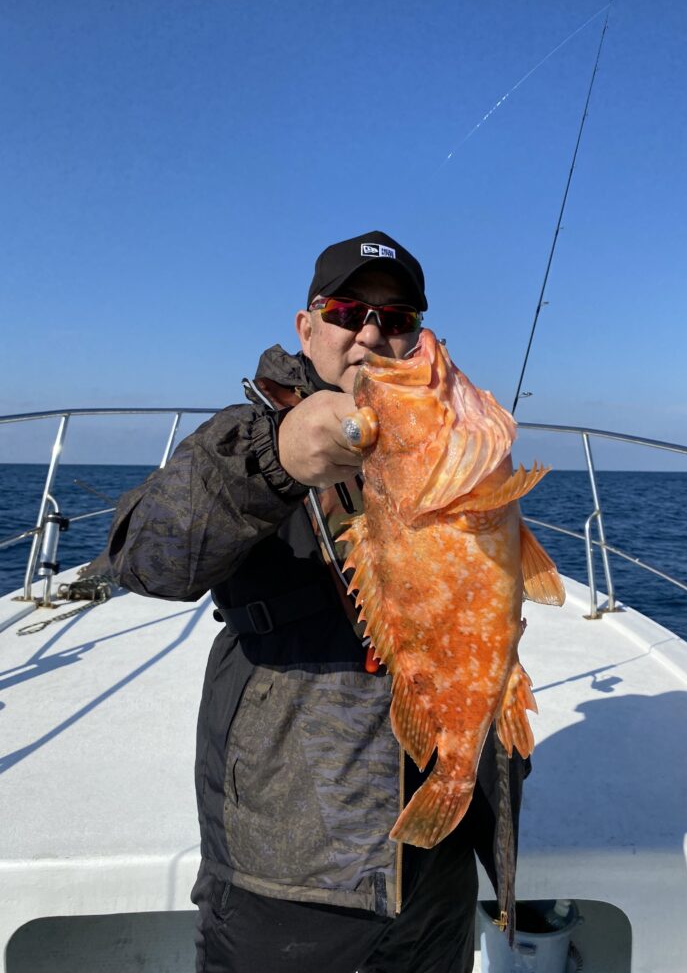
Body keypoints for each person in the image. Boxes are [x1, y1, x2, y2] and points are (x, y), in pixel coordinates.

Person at [90, 231, 528, 973]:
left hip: (441, 867)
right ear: (307, 327)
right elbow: (142, 558)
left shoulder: (449, 442)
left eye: (397, 319)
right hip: (291, 869)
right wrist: (278, 461)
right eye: (348, 312)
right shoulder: (244, 437)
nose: (371, 335)